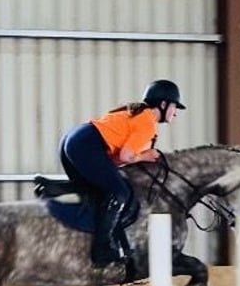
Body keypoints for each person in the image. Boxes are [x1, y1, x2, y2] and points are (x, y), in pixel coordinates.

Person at [58, 78, 186, 267]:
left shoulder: (138, 114)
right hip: (85, 144)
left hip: (75, 141)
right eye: (175, 107)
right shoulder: (148, 122)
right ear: (164, 104)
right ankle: (102, 250)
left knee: (103, 190)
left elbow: (116, 160)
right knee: (121, 193)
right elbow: (127, 157)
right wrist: (145, 156)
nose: (175, 113)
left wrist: (140, 156)